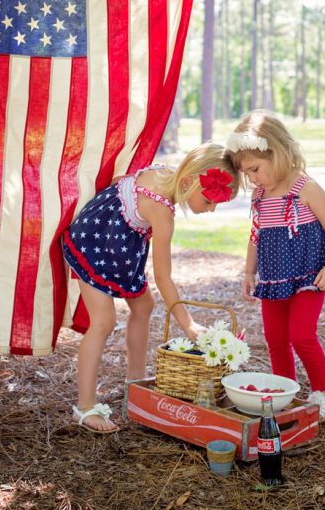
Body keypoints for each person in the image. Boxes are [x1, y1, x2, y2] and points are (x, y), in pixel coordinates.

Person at [63, 143, 239, 433]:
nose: (212, 209)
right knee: (104, 322)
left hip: (118, 246)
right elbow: (164, 277)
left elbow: (120, 182)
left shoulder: (164, 174)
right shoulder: (162, 214)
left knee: (144, 305)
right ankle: (84, 407)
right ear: (187, 183)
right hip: (94, 244)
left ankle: (135, 381)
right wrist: (188, 324)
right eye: (209, 201)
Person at [226, 111, 325, 421]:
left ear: (277, 153)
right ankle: (285, 391)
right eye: (247, 174)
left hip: (309, 276)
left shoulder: (305, 188)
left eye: (255, 169)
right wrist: (249, 271)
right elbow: (256, 235)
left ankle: (323, 392)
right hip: (274, 278)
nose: (253, 179)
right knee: (275, 339)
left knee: (301, 334)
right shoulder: (262, 195)